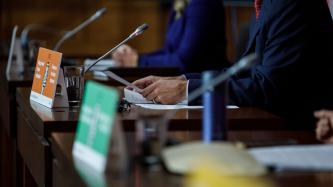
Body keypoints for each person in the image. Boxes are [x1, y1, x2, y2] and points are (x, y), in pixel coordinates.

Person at [131, 0, 333, 128]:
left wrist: (186, 90)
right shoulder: (266, 3)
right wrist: (183, 80)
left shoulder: (289, 4)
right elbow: (246, 71)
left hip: (300, 130)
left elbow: (268, 87)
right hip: (267, 121)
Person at [112, 0, 229, 73]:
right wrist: (135, 57)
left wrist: (139, 60)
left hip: (206, 89)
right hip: (182, 82)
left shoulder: (203, 3)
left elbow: (185, 61)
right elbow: (169, 51)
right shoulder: (180, 4)